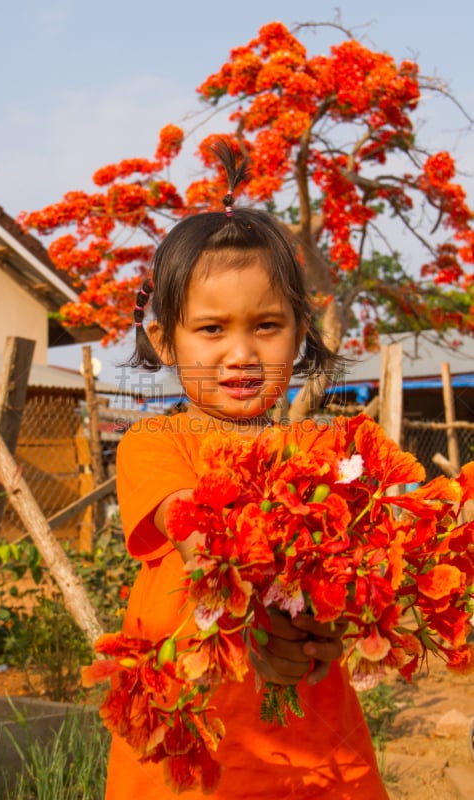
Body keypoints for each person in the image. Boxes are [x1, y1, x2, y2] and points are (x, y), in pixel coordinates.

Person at [106, 141, 389, 799]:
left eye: (266, 324)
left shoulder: (327, 453)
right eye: (210, 329)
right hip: (188, 749)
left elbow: (361, 577)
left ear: (300, 331)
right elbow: (192, 529)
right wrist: (257, 628)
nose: (241, 353)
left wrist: (332, 624)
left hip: (316, 748)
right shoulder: (154, 442)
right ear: (165, 341)